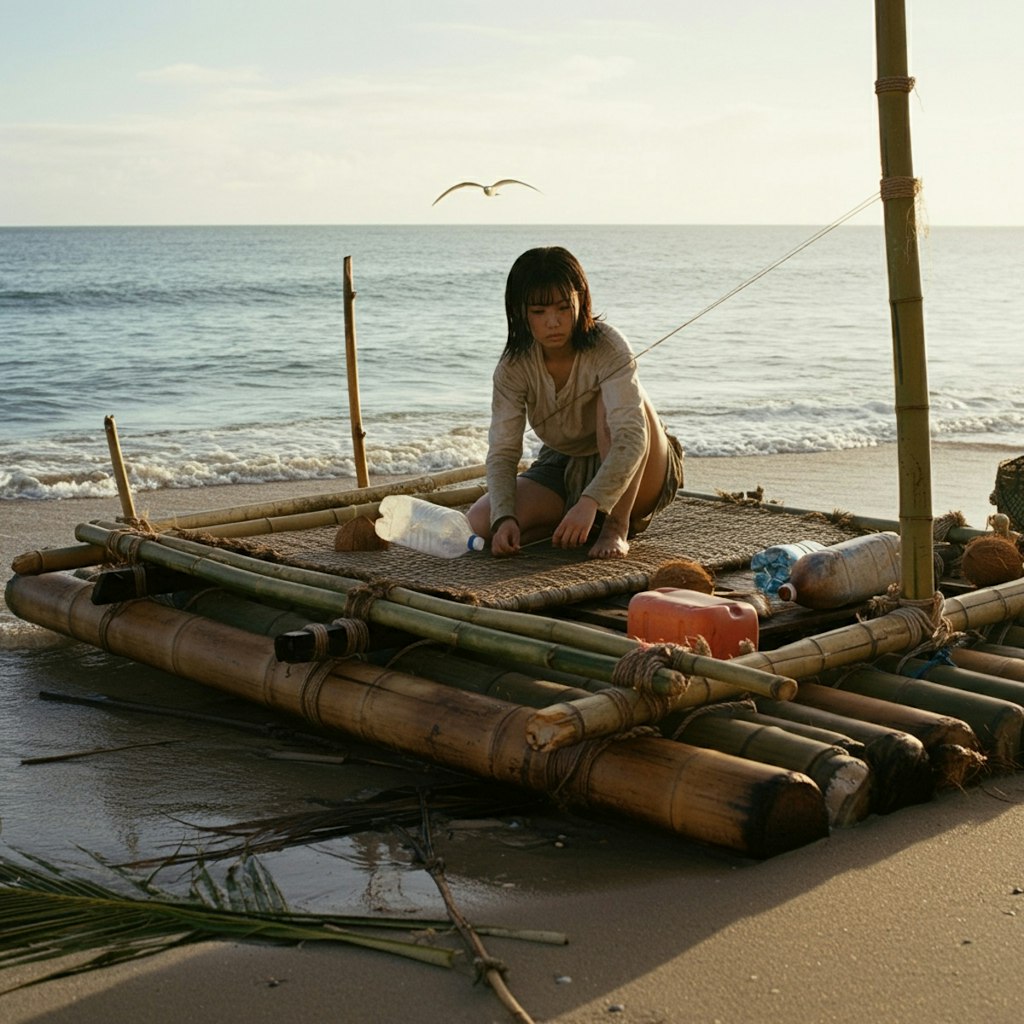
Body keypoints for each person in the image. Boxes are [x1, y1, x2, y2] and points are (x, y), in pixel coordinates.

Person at [467, 246, 684, 559]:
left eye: (562, 308)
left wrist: (591, 501)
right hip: (564, 463)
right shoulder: (513, 368)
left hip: (643, 462)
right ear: (520, 311)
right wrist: (504, 518)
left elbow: (632, 437)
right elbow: (503, 452)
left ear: (581, 300)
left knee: (607, 406)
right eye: (539, 312)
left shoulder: (607, 344)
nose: (553, 322)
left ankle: (614, 525)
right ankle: (579, 521)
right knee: (478, 524)